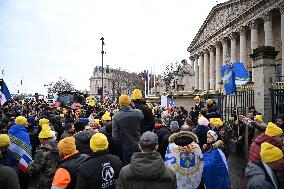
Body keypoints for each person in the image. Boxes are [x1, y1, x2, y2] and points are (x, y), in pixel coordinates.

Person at [112, 95, 144, 165]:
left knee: (128, 167)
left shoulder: (116, 117)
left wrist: (121, 146)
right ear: (130, 102)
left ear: (120, 103)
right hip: (139, 144)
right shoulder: (138, 113)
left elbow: (115, 136)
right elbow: (142, 123)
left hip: (126, 146)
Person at [27, 124, 61, 189]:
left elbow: (33, 168)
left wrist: (28, 168)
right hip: (56, 179)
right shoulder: (59, 147)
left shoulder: (42, 152)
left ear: (42, 139)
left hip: (43, 182)